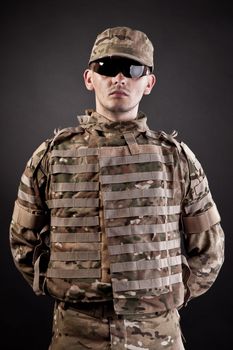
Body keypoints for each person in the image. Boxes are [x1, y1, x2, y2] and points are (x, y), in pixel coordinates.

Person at [9, 26, 225, 350]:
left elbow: (210, 248)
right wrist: (61, 286)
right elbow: (22, 240)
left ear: (148, 82)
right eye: (107, 67)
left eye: (133, 69)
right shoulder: (52, 156)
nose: (119, 78)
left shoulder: (176, 158)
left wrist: (166, 296)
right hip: (76, 334)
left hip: (158, 336)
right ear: (89, 78)